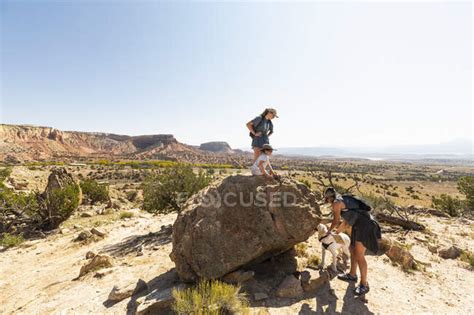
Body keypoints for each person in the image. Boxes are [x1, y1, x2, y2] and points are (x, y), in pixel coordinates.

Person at [323, 187, 382, 296]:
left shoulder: (337, 203)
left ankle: (364, 284)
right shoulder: (343, 199)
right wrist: (336, 233)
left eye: (327, 200)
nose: (327, 202)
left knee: (359, 256)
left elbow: (336, 220)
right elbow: (346, 221)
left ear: (330, 197)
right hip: (358, 225)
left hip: (365, 226)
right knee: (352, 250)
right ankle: (352, 275)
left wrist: (329, 231)